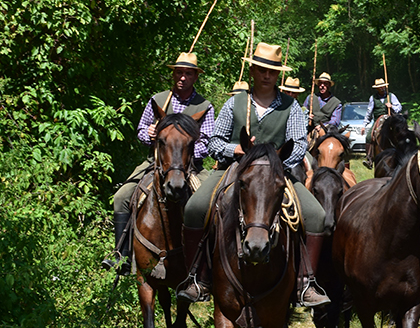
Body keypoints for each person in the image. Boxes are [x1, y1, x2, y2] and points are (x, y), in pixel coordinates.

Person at [177, 42, 331, 307]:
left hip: (275, 173)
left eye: (272, 71)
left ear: (278, 75)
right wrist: (234, 148)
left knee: (317, 216)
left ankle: (307, 283)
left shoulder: (291, 107)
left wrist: (272, 162)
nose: (267, 75)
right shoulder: (235, 103)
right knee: (194, 208)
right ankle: (197, 278)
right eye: (262, 69)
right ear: (253, 71)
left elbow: (298, 144)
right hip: (235, 169)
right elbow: (214, 141)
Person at [103, 52, 215, 275]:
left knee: (209, 205)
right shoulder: (158, 100)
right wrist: (150, 133)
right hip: (155, 162)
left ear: (195, 77)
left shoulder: (205, 106)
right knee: (122, 197)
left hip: (190, 166)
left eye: (188, 73)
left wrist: (187, 149)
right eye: (179, 72)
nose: (183, 77)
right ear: (173, 74)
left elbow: (209, 142)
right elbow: (141, 130)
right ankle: (121, 254)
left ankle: (208, 262)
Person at [361, 77, 403, 168]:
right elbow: (369, 112)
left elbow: (399, 107)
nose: (381, 88)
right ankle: (369, 158)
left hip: (390, 118)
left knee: (400, 133)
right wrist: (364, 125)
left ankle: (403, 154)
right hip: (378, 120)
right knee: (369, 137)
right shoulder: (373, 98)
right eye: (379, 87)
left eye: (383, 86)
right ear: (376, 88)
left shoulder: (391, 96)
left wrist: (391, 106)